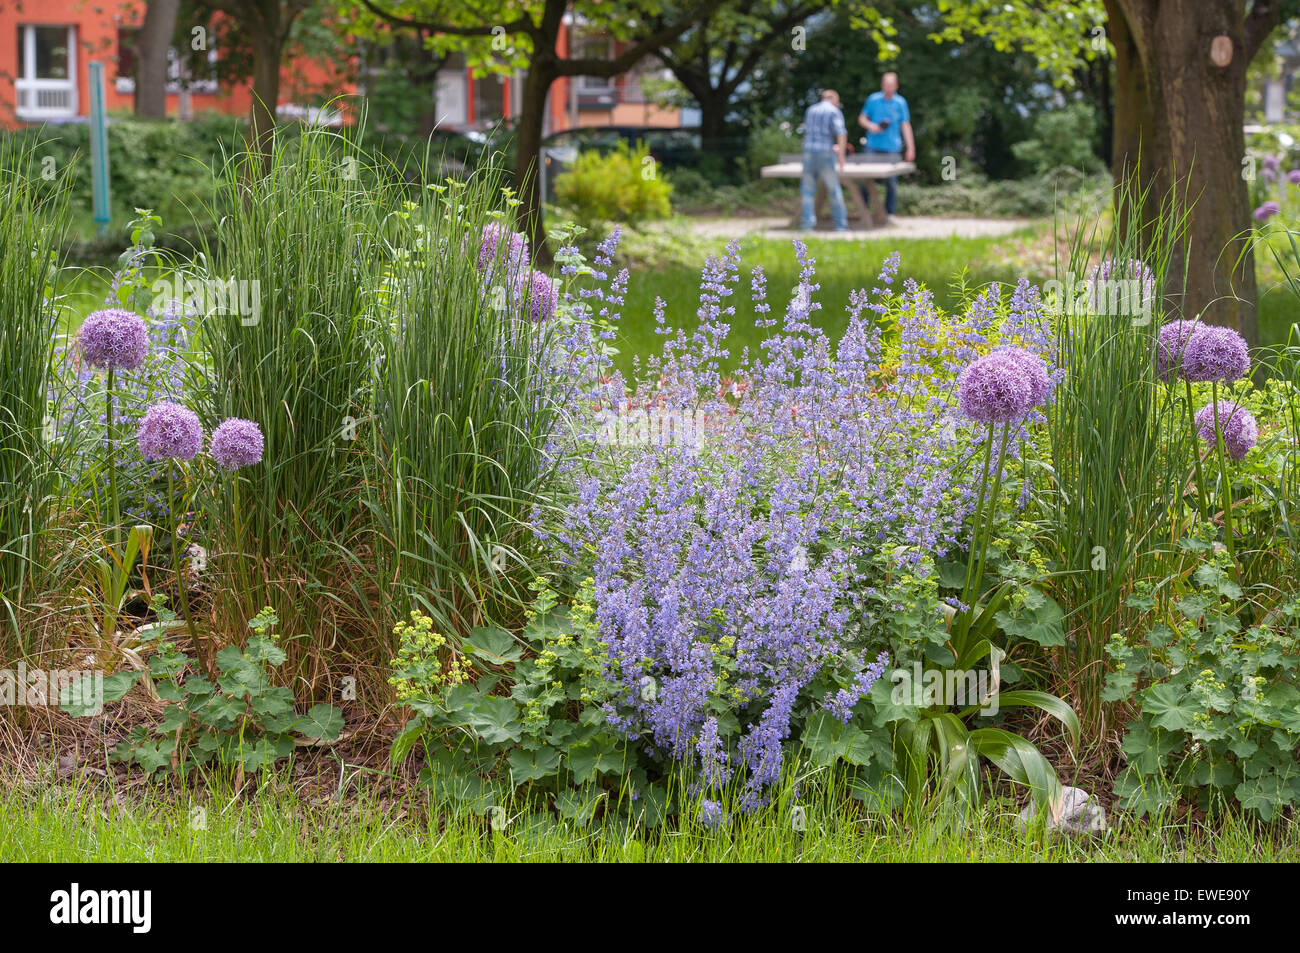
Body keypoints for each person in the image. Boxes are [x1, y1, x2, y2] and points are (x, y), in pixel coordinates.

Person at [858, 72, 915, 219]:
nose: (887, 86)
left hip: (892, 148)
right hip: (872, 146)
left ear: (896, 85)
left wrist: (910, 147)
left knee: (891, 182)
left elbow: (905, 125)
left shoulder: (901, 102)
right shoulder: (873, 99)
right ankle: (863, 211)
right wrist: (871, 126)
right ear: (882, 84)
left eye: (890, 84)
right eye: (885, 83)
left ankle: (889, 213)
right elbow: (862, 118)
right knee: (865, 180)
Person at [800, 89, 849, 231]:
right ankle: (841, 226)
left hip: (808, 152)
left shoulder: (811, 110)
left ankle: (806, 226)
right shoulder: (834, 111)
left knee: (807, 191)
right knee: (834, 190)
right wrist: (841, 156)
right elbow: (841, 133)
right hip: (825, 153)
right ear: (834, 99)